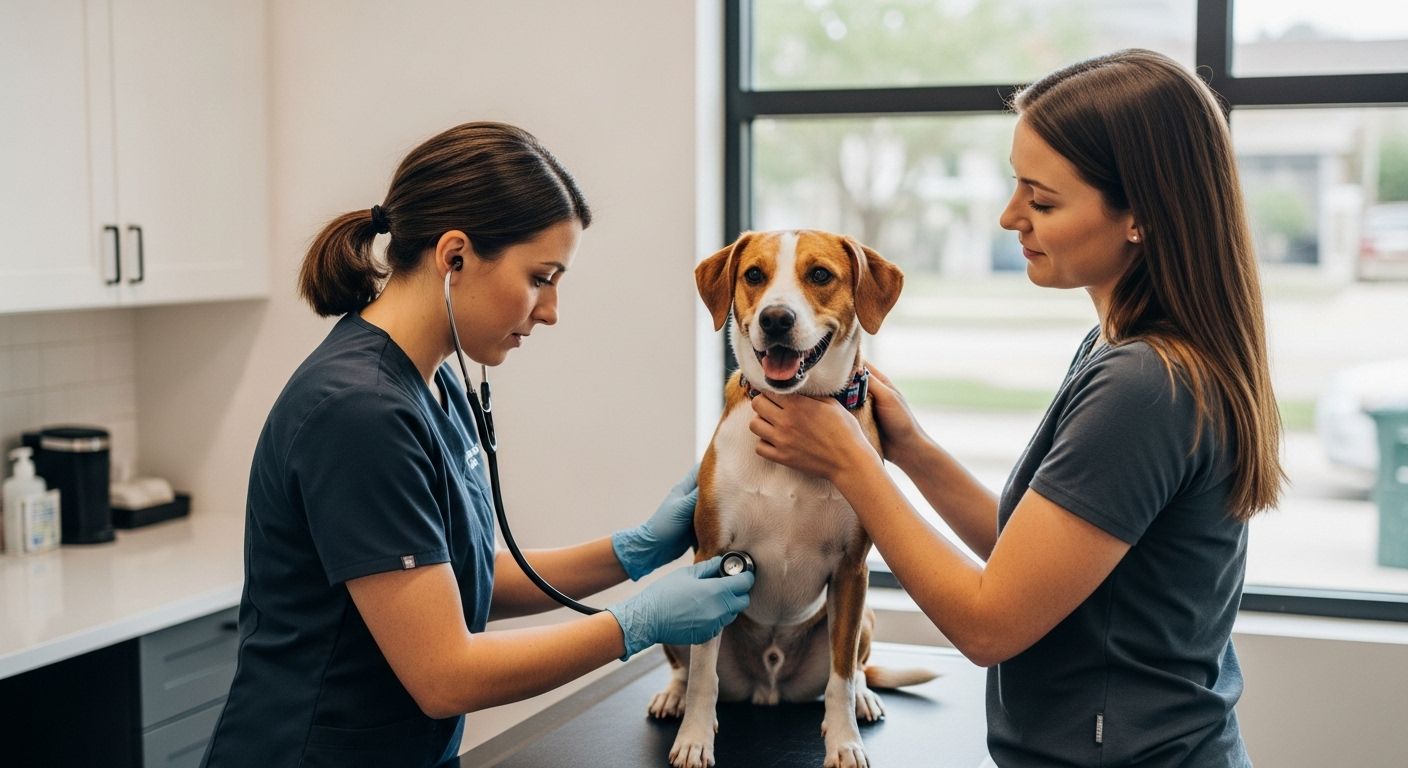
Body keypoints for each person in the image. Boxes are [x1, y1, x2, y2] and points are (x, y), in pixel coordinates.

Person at [748, 49, 1282, 767]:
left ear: (1140, 217)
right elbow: (1028, 560)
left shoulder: (1144, 387)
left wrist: (851, 462)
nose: (1009, 218)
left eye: (1043, 200)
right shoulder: (1117, 347)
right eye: (1015, 187)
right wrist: (911, 451)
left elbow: (988, 623)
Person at [201, 121, 754, 768]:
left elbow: (460, 577)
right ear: (454, 256)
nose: (551, 310)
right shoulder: (358, 413)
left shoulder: (435, 384)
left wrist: (629, 551)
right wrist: (633, 625)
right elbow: (445, 676)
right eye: (542, 276)